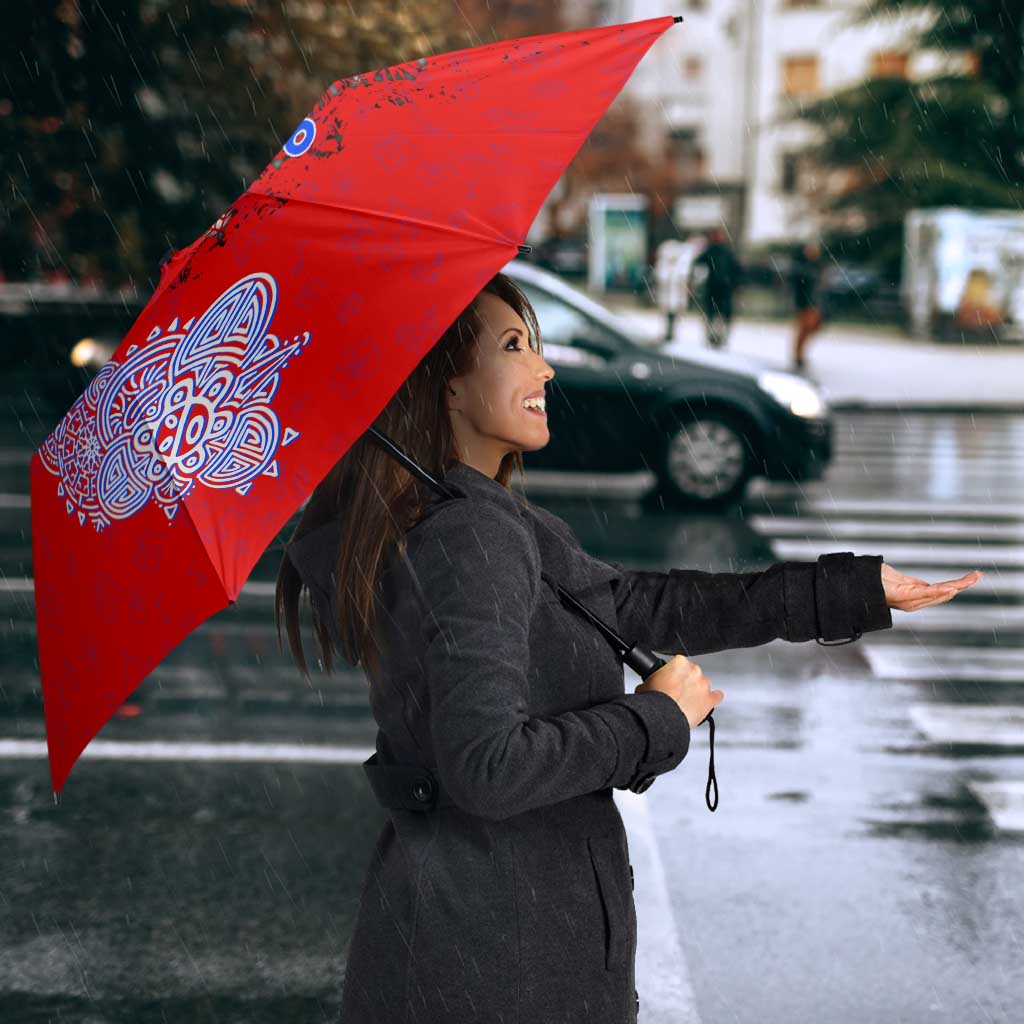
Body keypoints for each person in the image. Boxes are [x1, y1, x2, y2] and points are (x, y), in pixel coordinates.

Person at [276, 271, 976, 1024]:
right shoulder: (469, 537)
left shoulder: (476, 518)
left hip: (480, 942)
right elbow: (487, 768)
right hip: (498, 962)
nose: (544, 368)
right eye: (514, 346)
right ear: (445, 385)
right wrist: (656, 719)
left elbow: (639, 605)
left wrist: (850, 591)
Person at [692, 226, 742, 349]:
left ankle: (719, 337)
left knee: (720, 315)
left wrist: (735, 284)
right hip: (715, 288)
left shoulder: (725, 252)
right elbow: (698, 264)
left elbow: (736, 270)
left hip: (723, 288)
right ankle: (713, 337)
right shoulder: (712, 251)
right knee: (713, 314)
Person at [790, 239, 826, 370]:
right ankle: (798, 355)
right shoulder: (802, 267)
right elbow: (799, 286)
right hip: (805, 303)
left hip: (814, 303)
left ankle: (799, 354)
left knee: (812, 328)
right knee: (804, 329)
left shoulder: (817, 266)